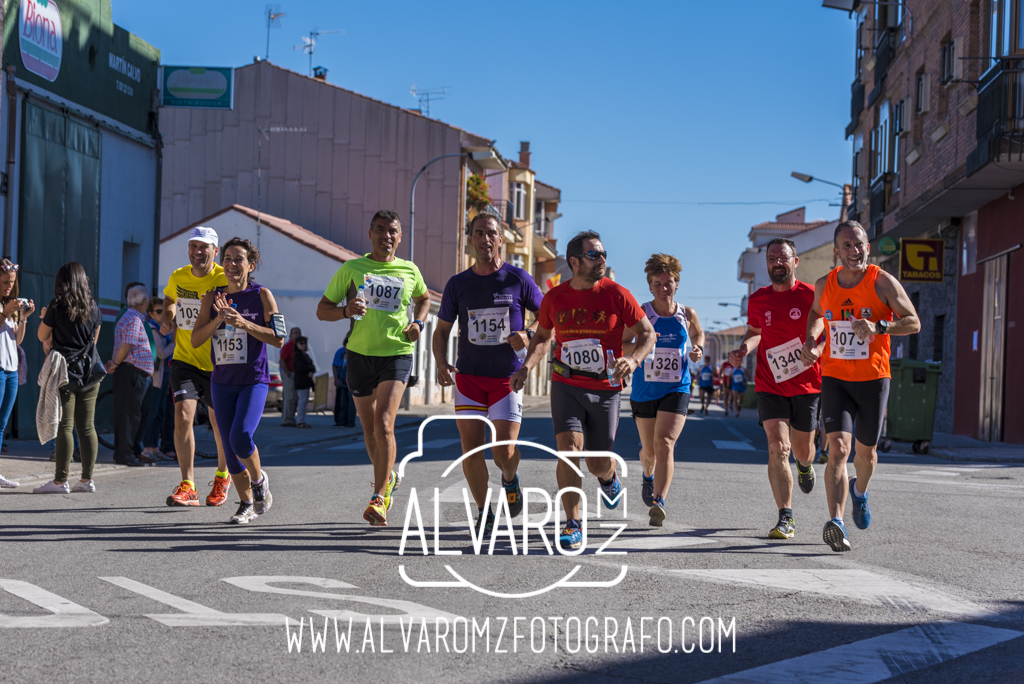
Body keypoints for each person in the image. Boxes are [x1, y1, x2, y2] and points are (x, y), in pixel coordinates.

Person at [511, 231, 655, 549]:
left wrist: (632, 360)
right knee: (568, 450)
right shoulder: (555, 298)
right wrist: (525, 368)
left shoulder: (618, 294)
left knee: (596, 461)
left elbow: (648, 333)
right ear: (574, 262)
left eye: (603, 254)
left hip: (605, 388)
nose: (602, 259)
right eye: (594, 255)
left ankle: (608, 476)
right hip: (566, 383)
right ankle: (572, 523)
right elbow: (544, 338)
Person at [801, 221, 920, 552]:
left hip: (873, 379)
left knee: (866, 454)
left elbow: (913, 322)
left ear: (868, 247)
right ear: (836, 251)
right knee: (837, 449)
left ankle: (860, 492)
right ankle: (836, 521)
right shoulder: (825, 284)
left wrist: (879, 325)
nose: (854, 251)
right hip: (836, 377)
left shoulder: (881, 281)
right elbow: (815, 314)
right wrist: (812, 340)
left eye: (860, 244)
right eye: (847, 246)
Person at [317, 209, 430, 526]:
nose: (387, 235)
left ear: (400, 235)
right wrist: (345, 310)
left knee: (384, 424)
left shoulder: (409, 270)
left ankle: (379, 497)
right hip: (358, 355)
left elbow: (423, 299)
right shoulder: (352, 269)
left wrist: (418, 322)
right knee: (368, 431)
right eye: (380, 229)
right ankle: (388, 478)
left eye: (392, 230)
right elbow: (322, 310)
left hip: (397, 353)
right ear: (370, 234)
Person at [433, 213, 544, 535]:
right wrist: (441, 363)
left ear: (500, 239)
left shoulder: (518, 278)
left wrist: (529, 331)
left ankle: (510, 479)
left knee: (504, 452)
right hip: (468, 378)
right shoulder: (458, 284)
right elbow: (441, 331)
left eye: (490, 234)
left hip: (507, 379)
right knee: (471, 448)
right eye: (478, 233)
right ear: (469, 240)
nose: (484, 239)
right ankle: (484, 512)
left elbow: (546, 316)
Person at [730, 238, 824, 540]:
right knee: (777, 447)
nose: (777, 263)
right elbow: (756, 332)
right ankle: (786, 516)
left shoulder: (812, 295)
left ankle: (806, 466)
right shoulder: (759, 299)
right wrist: (744, 347)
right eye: (772, 259)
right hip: (770, 383)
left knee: (802, 450)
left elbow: (829, 331)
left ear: (795, 261)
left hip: (807, 383)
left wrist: (818, 349)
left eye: (783, 258)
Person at [192, 237, 283, 524]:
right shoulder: (211, 297)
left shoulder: (262, 295)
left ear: (250, 265)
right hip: (221, 381)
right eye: (228, 259)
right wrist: (218, 319)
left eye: (238, 259)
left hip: (253, 380)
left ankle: (259, 481)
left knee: (241, 437)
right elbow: (196, 340)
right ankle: (245, 503)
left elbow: (279, 339)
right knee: (229, 453)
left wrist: (243, 323)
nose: (232, 264)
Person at [623, 254, 703, 526]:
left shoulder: (687, 314)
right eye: (657, 283)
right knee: (650, 452)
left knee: (666, 443)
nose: (663, 288)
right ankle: (648, 474)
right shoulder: (641, 313)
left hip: (677, 387)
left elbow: (698, 335)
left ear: (676, 284)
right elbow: (623, 342)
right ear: (650, 286)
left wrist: (698, 348)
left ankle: (659, 500)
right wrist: (641, 348)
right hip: (645, 390)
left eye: (668, 282)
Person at [161, 225, 230, 507]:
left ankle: (223, 475)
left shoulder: (224, 277)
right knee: (183, 415)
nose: (197, 252)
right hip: (185, 358)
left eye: (204, 247)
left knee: (219, 424)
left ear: (215, 251)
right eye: (193, 246)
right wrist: (169, 315)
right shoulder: (179, 276)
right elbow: (169, 298)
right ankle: (188, 484)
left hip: (218, 363)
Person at [34, 262, 102, 494]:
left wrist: (45, 316)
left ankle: (60, 481)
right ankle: (86, 480)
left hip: (64, 372)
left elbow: (42, 335)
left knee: (65, 426)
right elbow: (92, 343)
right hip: (90, 373)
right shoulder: (93, 307)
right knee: (87, 427)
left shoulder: (57, 305)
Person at [106, 284, 156, 467]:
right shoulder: (134, 319)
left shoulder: (132, 317)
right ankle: (124, 454)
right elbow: (126, 345)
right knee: (129, 416)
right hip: (131, 371)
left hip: (136, 373)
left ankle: (132, 451)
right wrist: (117, 363)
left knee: (135, 415)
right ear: (144, 301)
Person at [0, 260, 34, 488]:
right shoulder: (5, 307)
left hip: (11, 369)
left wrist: (24, 316)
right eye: (4, 282)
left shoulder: (9, 304)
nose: (8, 287)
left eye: (11, 282)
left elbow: (18, 339)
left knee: (2, 424)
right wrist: (5, 313)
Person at [137, 297, 175, 462]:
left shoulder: (163, 328)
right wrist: (174, 342)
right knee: (151, 413)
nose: (162, 315)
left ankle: (154, 446)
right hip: (156, 376)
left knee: (160, 412)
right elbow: (161, 353)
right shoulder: (153, 328)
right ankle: (145, 447)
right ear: (151, 313)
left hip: (165, 374)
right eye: (158, 311)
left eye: (163, 311)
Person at [279, 326, 301, 426]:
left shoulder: (299, 346)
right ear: (291, 335)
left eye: (298, 333)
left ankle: (291, 418)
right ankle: (287, 419)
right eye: (295, 333)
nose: (297, 335)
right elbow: (282, 360)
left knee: (295, 398)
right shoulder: (288, 346)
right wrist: (287, 373)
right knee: (289, 397)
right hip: (290, 373)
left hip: (297, 374)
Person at [333, 334, 356, 428]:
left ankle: (350, 421)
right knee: (342, 402)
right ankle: (341, 420)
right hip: (342, 382)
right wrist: (336, 379)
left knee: (351, 403)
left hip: (352, 383)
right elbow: (335, 366)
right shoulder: (341, 354)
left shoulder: (355, 355)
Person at [292, 336, 315, 428]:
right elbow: (301, 367)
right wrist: (309, 369)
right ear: (297, 344)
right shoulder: (297, 355)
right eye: (301, 343)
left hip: (306, 382)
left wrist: (311, 370)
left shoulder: (306, 355)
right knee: (302, 401)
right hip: (301, 381)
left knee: (304, 401)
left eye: (305, 343)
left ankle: (301, 420)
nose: (303, 345)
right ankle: (300, 421)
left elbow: (313, 367)